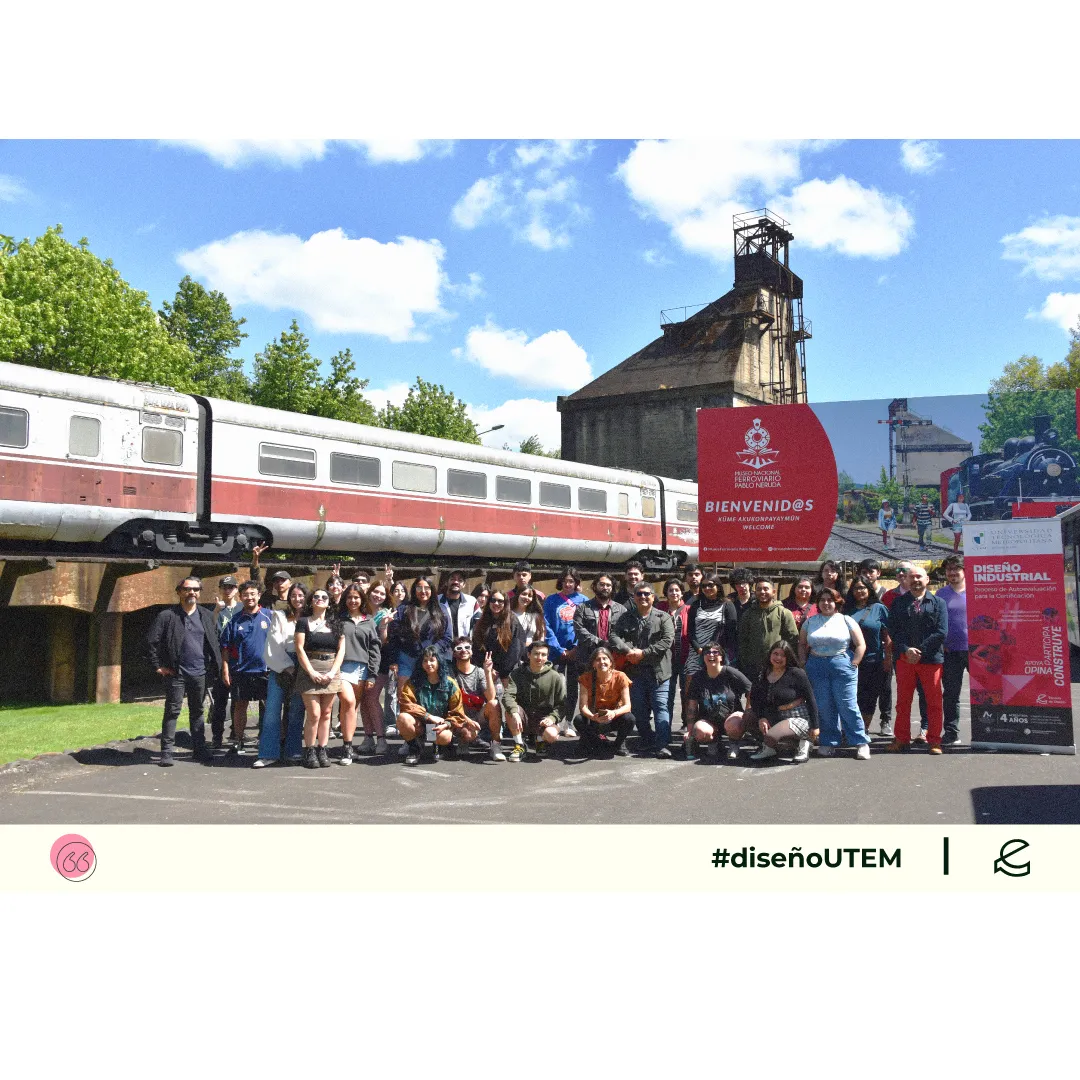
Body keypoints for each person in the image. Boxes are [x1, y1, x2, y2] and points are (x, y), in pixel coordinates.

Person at [145, 576, 220, 766]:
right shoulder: (167, 616)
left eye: (196, 589)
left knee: (198, 711)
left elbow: (214, 642)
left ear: (200, 593)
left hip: (200, 671)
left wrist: (215, 667)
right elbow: (151, 642)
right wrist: (157, 666)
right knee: (172, 710)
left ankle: (199, 749)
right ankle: (166, 752)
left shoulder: (206, 615)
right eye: (187, 589)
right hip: (175, 672)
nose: (191, 593)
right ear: (179, 592)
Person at [800, 588, 869, 759]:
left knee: (847, 705)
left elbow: (860, 644)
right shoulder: (810, 622)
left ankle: (860, 742)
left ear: (837, 602)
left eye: (830, 600)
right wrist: (803, 662)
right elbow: (801, 643)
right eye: (822, 600)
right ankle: (829, 742)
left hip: (842, 664)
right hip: (816, 666)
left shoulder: (846, 620)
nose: (826, 603)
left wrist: (855, 662)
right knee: (823, 706)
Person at [610, 581, 676, 757]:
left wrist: (643, 653)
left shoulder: (663, 617)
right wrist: (628, 651)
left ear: (653, 597)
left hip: (659, 672)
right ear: (634, 597)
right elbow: (614, 636)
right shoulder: (626, 617)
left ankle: (662, 744)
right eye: (639, 594)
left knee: (661, 707)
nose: (643, 597)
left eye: (647, 594)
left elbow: (667, 641)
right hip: (635, 672)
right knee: (639, 710)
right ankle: (647, 740)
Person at [887, 565, 948, 754]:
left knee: (934, 703)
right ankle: (901, 739)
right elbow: (893, 630)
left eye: (919, 577)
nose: (915, 580)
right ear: (906, 580)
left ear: (927, 579)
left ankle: (934, 741)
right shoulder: (898, 603)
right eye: (911, 577)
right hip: (905, 659)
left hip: (930, 660)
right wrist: (906, 650)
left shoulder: (938, 603)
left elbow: (941, 631)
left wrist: (919, 650)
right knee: (903, 703)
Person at [726, 642, 818, 764]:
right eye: (775, 653)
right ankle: (770, 748)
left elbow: (811, 700)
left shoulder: (797, 673)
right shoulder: (763, 674)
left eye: (783, 655)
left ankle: (804, 742)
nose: (778, 658)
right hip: (775, 715)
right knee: (748, 716)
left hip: (797, 716)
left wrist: (815, 727)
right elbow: (755, 699)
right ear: (770, 655)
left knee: (771, 736)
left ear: (788, 658)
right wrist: (761, 717)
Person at [253, 581, 308, 768]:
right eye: (293, 595)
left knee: (296, 710)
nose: (297, 599)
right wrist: (287, 667)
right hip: (280, 663)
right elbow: (274, 642)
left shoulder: (310, 618)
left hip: (304, 664)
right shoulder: (280, 616)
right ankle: (268, 753)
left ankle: (293, 751)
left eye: (301, 595)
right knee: (272, 710)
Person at [293, 587, 346, 768]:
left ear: (329, 603)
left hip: (331, 668)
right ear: (311, 601)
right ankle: (309, 750)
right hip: (310, 668)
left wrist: (332, 672)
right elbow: (299, 648)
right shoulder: (303, 622)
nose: (320, 599)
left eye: (324, 597)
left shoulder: (337, 623)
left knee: (326, 713)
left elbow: (341, 650)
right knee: (314, 713)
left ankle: (322, 749)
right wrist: (311, 672)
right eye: (316, 596)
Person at [218, 580, 272, 755]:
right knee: (240, 706)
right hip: (241, 671)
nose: (249, 597)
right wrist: (225, 669)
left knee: (269, 707)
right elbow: (225, 647)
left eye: (253, 594)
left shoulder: (270, 616)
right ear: (241, 597)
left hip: (265, 671)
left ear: (259, 595)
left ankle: (267, 740)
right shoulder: (235, 620)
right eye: (246, 595)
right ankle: (239, 740)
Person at [397, 646, 474, 766]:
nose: (428, 664)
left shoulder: (450, 684)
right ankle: (415, 747)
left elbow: (457, 712)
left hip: (440, 726)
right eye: (425, 660)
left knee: (444, 737)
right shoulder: (413, 682)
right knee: (403, 718)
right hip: (420, 725)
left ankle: (438, 745)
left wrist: (447, 724)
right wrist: (428, 716)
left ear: (439, 661)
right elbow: (406, 704)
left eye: (432, 660)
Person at [336, 583, 381, 765]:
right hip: (342, 668)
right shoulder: (338, 620)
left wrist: (372, 674)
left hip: (362, 669)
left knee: (352, 709)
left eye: (356, 597)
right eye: (349, 597)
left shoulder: (369, 621)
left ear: (362, 599)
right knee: (348, 702)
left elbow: (374, 650)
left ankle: (348, 746)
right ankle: (347, 746)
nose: (353, 600)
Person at [683, 644, 751, 761]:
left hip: (732, 717)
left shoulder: (730, 673)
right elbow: (692, 706)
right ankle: (714, 743)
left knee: (734, 724)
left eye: (715, 652)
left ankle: (734, 744)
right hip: (709, 719)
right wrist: (689, 730)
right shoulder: (698, 677)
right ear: (703, 657)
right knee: (700, 731)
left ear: (721, 657)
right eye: (707, 652)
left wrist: (748, 712)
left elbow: (751, 689)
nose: (711, 655)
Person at [501, 640, 566, 762]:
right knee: (510, 711)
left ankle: (540, 741)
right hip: (524, 717)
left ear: (547, 657)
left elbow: (562, 704)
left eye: (543, 654)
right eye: (536, 653)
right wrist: (514, 712)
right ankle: (519, 745)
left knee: (551, 735)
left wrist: (552, 718)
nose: (539, 657)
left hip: (544, 719)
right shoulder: (516, 674)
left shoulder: (555, 676)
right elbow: (508, 696)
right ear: (528, 655)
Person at [543, 569, 589, 736]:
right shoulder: (551, 600)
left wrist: (576, 647)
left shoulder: (584, 601)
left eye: (571, 581)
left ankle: (568, 722)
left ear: (576, 583)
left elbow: (586, 626)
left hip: (577, 651)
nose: (568, 584)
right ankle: (553, 720)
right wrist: (558, 648)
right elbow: (546, 625)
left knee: (572, 687)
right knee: (555, 687)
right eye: (565, 581)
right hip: (556, 652)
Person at [847, 575, 893, 737]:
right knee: (853, 697)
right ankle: (851, 728)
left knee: (870, 697)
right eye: (856, 588)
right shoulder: (846, 610)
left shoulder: (879, 608)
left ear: (869, 589)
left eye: (862, 587)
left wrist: (888, 659)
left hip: (875, 660)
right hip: (850, 661)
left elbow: (888, 636)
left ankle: (863, 730)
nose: (859, 591)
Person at [389, 576, 452, 691]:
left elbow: (447, 637)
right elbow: (394, 635)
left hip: (430, 660)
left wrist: (432, 650)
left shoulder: (441, 610)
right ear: (414, 590)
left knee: (426, 695)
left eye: (427, 588)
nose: (423, 591)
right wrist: (393, 660)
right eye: (419, 588)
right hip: (407, 658)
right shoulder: (404, 609)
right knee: (404, 695)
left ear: (432, 590)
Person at [737, 576, 799, 684]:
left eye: (766, 589)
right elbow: (742, 641)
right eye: (759, 589)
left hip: (778, 666)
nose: (762, 592)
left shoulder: (784, 613)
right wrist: (745, 663)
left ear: (773, 592)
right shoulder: (748, 614)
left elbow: (792, 640)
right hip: (753, 668)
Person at [576, 647, 634, 757]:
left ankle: (619, 743)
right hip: (595, 717)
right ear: (593, 664)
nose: (602, 662)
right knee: (579, 720)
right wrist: (593, 717)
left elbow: (627, 706)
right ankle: (595, 740)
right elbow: (582, 706)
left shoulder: (621, 677)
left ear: (611, 662)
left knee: (629, 718)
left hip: (614, 717)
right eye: (598, 659)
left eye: (605, 659)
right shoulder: (586, 678)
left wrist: (614, 713)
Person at [357, 580, 393, 756]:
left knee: (371, 697)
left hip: (380, 661)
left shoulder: (386, 614)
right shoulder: (360, 611)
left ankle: (381, 738)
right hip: (359, 659)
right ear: (369, 591)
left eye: (382, 593)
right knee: (363, 699)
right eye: (375, 592)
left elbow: (384, 641)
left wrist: (384, 625)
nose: (378, 596)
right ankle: (368, 737)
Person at [683, 575, 739, 686]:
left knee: (716, 688)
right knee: (692, 688)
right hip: (696, 654)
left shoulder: (727, 605)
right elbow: (690, 631)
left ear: (718, 586)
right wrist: (699, 649)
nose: (707, 588)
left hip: (717, 654)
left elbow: (731, 633)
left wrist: (716, 651)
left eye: (710, 585)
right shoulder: (696, 605)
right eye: (703, 586)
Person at [448, 636, 498, 759]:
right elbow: (449, 705)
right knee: (467, 734)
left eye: (467, 647)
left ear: (471, 651)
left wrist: (487, 673)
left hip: (478, 716)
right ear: (453, 653)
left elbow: (491, 697)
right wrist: (467, 721)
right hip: (459, 716)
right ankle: (464, 739)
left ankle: (496, 745)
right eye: (459, 648)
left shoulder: (479, 672)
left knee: (494, 704)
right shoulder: (450, 673)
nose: (463, 650)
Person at [936, 555, 968, 746]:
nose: (952, 572)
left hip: (976, 651)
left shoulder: (977, 591)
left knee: (985, 692)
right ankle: (951, 732)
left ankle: (987, 731)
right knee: (951, 694)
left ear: (964, 571)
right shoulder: (941, 594)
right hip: (950, 651)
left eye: (956, 568)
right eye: (949, 569)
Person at [209, 573, 243, 749]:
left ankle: (236, 733)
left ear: (236, 590)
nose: (228, 590)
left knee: (238, 700)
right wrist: (216, 610)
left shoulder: (243, 608)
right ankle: (217, 736)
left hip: (239, 660)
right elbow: (210, 630)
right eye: (225, 587)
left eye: (231, 587)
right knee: (220, 701)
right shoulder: (216, 609)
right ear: (220, 590)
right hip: (220, 659)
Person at [573, 573, 627, 671]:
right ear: (595, 586)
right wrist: (600, 642)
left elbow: (626, 633)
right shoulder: (583, 608)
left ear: (612, 588)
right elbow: (579, 630)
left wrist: (613, 644)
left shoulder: (621, 610)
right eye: (602, 584)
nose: (605, 587)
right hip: (587, 659)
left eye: (608, 585)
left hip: (613, 659)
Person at [658, 578, 691, 736]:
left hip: (686, 659)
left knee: (687, 694)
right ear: (666, 593)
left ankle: (686, 724)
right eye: (670, 590)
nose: (674, 593)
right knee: (667, 695)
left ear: (682, 593)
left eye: (677, 590)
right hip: (666, 661)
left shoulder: (689, 610)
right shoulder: (660, 609)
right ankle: (666, 727)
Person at [439, 569, 479, 639]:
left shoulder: (472, 602)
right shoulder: (437, 601)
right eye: (452, 579)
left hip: (464, 644)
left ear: (464, 585)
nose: (456, 582)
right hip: (442, 644)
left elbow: (480, 622)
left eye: (460, 580)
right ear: (446, 582)